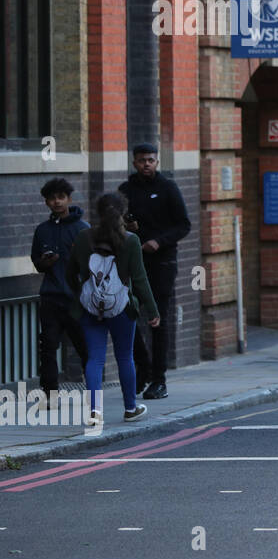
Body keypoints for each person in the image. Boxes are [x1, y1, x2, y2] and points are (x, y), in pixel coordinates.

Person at [66, 193, 158, 424]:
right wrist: (152, 310)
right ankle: (130, 409)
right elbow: (140, 279)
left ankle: (95, 411)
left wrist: (84, 291)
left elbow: (70, 274)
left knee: (95, 359)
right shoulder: (131, 240)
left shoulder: (83, 237)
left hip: (89, 307)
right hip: (121, 308)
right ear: (123, 213)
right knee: (125, 356)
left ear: (97, 212)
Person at [119, 144, 191, 401]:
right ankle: (143, 367)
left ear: (157, 162)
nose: (146, 164)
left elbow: (184, 225)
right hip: (133, 264)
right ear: (134, 163)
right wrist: (130, 228)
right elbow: (117, 225)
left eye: (151, 160)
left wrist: (158, 242)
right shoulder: (127, 190)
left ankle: (159, 380)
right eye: (141, 161)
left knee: (157, 319)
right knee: (128, 315)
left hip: (162, 263)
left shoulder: (168, 188)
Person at [30, 178, 91, 397]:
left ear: (69, 199)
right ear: (46, 202)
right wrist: (44, 263)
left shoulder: (83, 230)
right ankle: (49, 395)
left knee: (86, 348)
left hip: (77, 299)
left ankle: (93, 393)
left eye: (61, 197)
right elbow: (37, 263)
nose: (56, 202)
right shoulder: (42, 230)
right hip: (51, 298)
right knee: (47, 348)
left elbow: (93, 265)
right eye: (52, 198)